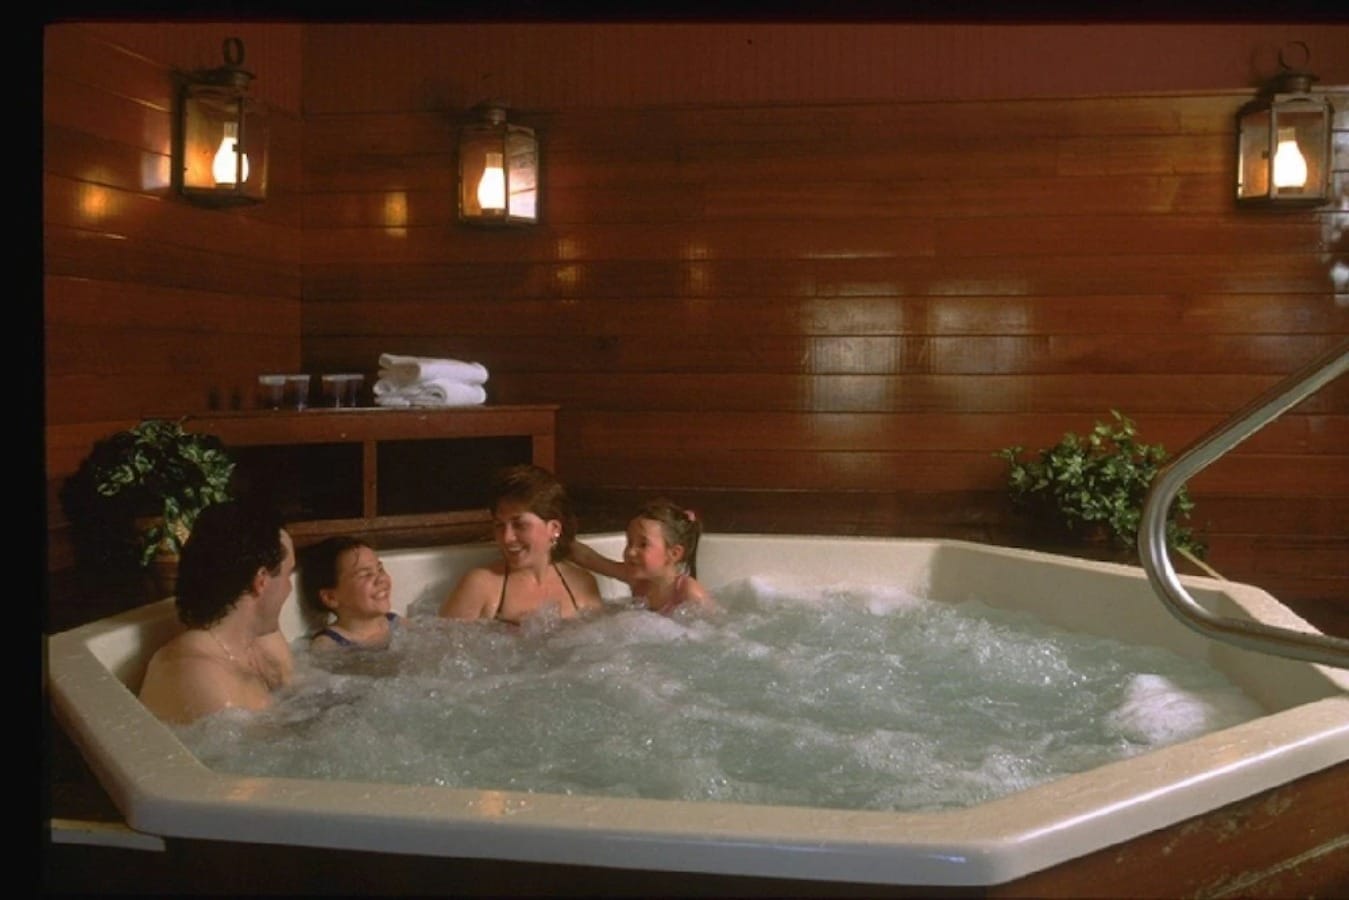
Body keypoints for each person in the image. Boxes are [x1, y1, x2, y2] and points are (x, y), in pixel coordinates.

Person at [138, 499, 296, 724]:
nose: (289, 588)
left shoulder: (251, 644)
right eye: (288, 574)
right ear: (261, 581)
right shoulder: (199, 676)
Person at [439, 464, 603, 624]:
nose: (507, 538)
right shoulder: (480, 585)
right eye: (499, 525)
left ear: (554, 528)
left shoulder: (582, 584)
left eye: (520, 525)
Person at [571, 498, 716, 616]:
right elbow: (589, 559)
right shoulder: (637, 579)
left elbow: (716, 630)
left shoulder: (689, 591)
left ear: (674, 554)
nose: (631, 552)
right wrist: (562, 539)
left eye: (643, 544)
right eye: (629, 542)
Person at [299, 536, 399, 651]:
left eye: (380, 569)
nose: (381, 579)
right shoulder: (327, 645)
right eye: (365, 574)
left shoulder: (396, 623)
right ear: (331, 598)